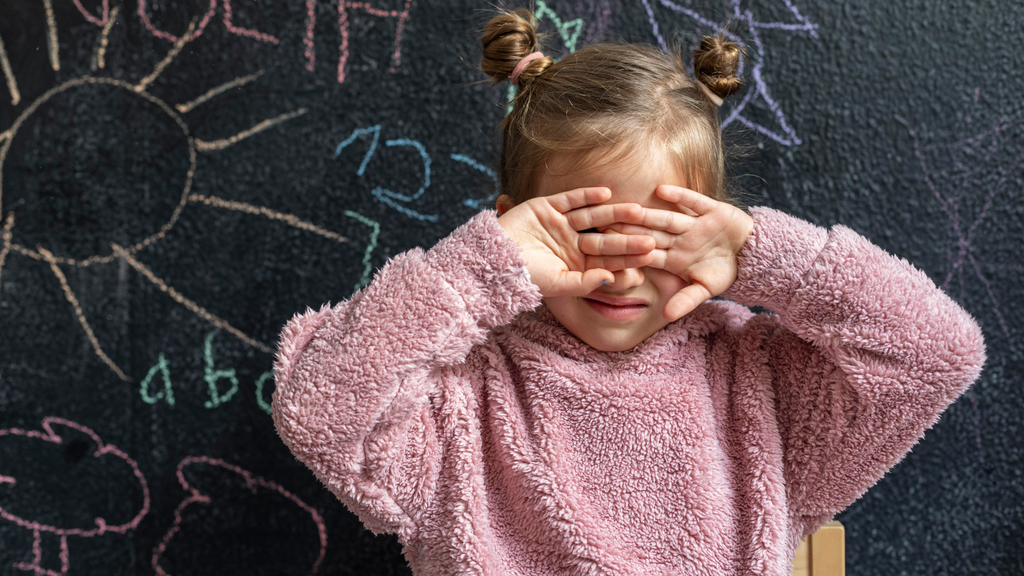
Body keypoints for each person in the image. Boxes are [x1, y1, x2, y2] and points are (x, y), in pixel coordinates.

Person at [271, 8, 986, 575]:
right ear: (511, 230)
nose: (621, 273)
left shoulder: (761, 384)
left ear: (712, 232)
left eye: (658, 238)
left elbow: (937, 352)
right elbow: (321, 414)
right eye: (590, 234)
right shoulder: (460, 390)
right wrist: (479, 270)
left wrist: (765, 258)